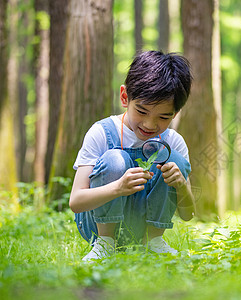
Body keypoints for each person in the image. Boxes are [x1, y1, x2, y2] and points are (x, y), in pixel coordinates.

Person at [69, 50, 195, 262]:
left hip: (143, 226)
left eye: (163, 117)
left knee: (176, 162)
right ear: (125, 97)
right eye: (142, 111)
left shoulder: (173, 141)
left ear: (175, 113)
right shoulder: (101, 132)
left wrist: (181, 185)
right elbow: (76, 201)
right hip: (97, 225)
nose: (150, 124)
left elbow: (188, 214)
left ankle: (153, 241)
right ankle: (105, 244)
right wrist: (118, 187)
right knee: (115, 159)